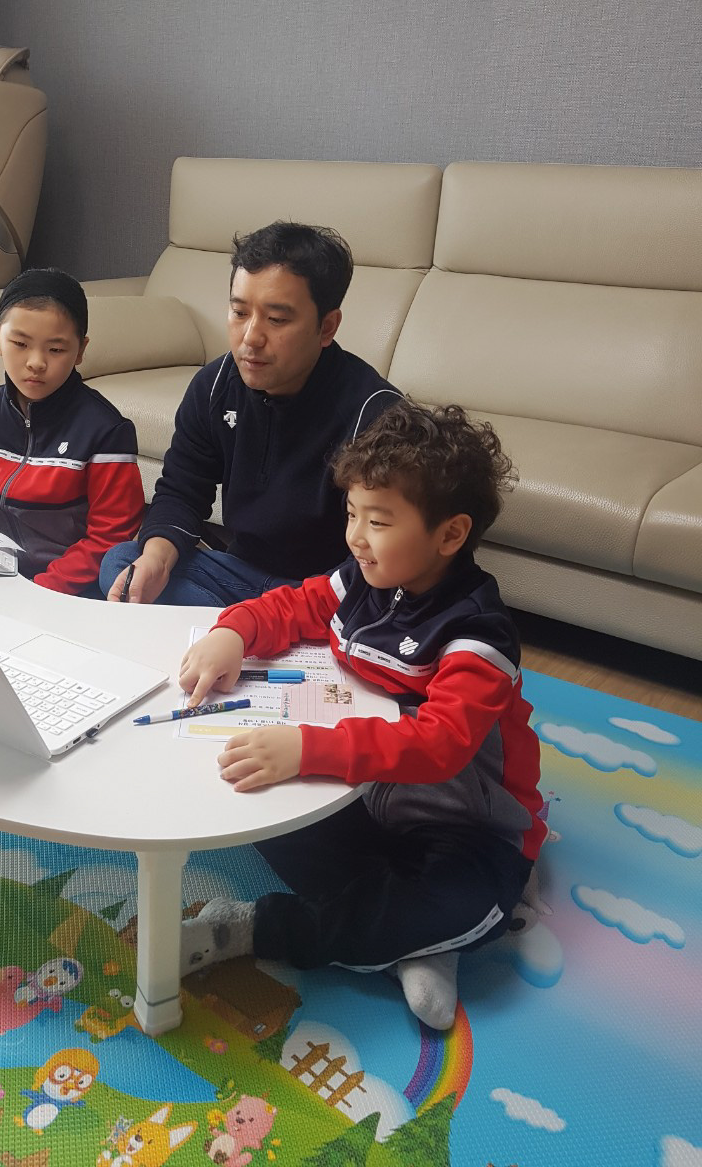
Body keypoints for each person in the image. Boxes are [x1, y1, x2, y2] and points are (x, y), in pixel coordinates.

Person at [175, 399, 545, 1030]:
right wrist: (233, 632)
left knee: (469, 905)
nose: (354, 536)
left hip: (466, 827)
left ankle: (255, 929)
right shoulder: (364, 578)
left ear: (450, 535)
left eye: (377, 521)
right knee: (263, 808)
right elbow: (298, 604)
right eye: (351, 513)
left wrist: (309, 748)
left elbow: (440, 743)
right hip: (368, 801)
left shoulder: (478, 633)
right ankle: (405, 941)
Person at [99, 222, 400, 607]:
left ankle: (240, 629)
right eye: (239, 312)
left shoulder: (375, 417)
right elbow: (182, 490)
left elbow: (379, 558)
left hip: (325, 591)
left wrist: (277, 615)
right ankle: (244, 630)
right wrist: (156, 558)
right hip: (241, 573)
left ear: (327, 327)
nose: (251, 337)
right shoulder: (214, 386)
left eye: (277, 320)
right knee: (124, 562)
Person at [0, 268, 144, 594]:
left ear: (80, 350)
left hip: (67, 587)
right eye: (20, 343)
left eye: (55, 349)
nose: (36, 362)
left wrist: (40, 591)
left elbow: (109, 536)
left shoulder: (105, 430)